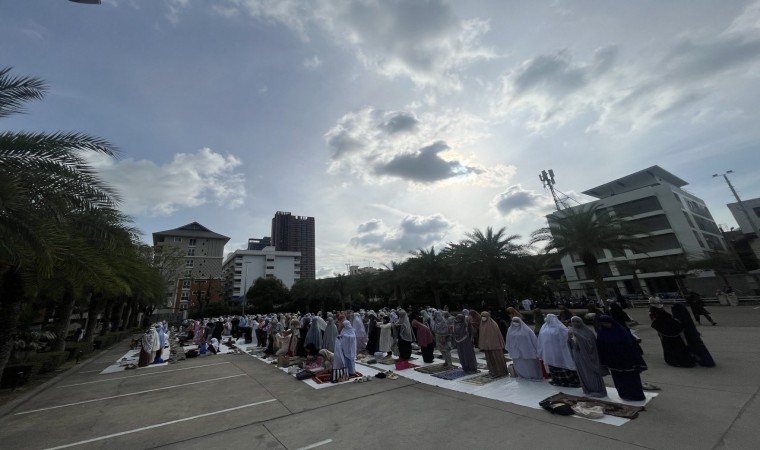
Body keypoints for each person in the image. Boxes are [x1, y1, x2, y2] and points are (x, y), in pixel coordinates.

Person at [596, 315, 647, 401]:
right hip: (613, 362)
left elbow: (629, 345)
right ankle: (624, 394)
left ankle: (636, 395)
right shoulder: (602, 332)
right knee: (619, 379)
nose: (605, 325)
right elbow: (600, 346)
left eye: (607, 323)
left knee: (631, 378)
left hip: (626, 360)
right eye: (603, 323)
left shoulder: (621, 331)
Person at [568, 316, 608, 397]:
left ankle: (597, 390)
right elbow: (571, 343)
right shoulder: (572, 330)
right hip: (578, 355)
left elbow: (591, 345)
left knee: (591, 374)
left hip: (587, 357)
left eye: (577, 321)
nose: (575, 323)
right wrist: (569, 338)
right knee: (582, 373)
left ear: (581, 322)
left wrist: (578, 336)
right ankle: (587, 389)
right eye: (573, 322)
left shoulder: (587, 331)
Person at [537, 314, 580, 388]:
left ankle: (564, 381)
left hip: (556, 352)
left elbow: (568, 335)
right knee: (556, 366)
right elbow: (540, 340)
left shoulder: (555, 328)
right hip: (553, 352)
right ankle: (561, 381)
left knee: (560, 365)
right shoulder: (549, 327)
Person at [478, 311, 508, 377]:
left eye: (484, 316)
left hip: (495, 346)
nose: (483, 318)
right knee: (490, 359)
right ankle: (492, 371)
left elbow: (496, 336)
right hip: (487, 346)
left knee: (496, 358)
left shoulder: (493, 324)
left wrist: (491, 344)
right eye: (482, 316)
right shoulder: (482, 324)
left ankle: (500, 372)